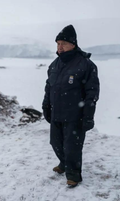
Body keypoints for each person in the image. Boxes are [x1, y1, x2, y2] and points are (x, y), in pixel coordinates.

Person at [42, 24, 100, 188]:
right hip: (57, 113)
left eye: (63, 44)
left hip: (75, 115)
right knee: (55, 143)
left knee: (72, 147)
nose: (60, 47)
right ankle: (64, 163)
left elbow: (92, 93)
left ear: (73, 44)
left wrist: (88, 116)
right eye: (58, 44)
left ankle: (73, 174)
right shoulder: (55, 64)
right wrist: (46, 105)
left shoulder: (86, 65)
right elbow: (49, 86)